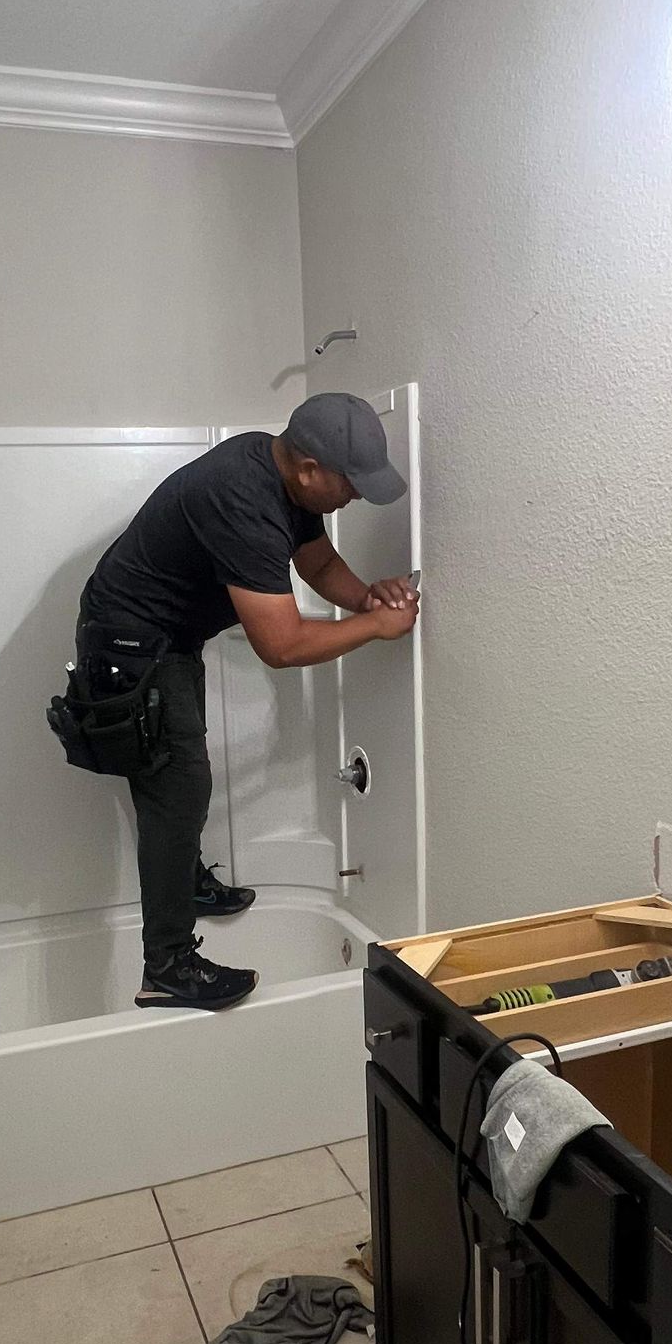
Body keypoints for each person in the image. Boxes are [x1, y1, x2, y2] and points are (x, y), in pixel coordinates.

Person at [74, 392, 418, 1012]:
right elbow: (281, 647)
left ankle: (186, 886)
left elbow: (318, 563)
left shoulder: (284, 478)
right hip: (131, 643)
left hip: (163, 639)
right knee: (177, 788)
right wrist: (376, 627)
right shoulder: (242, 499)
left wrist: (367, 599)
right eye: (350, 484)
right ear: (309, 468)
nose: (356, 497)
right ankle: (168, 969)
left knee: (181, 779)